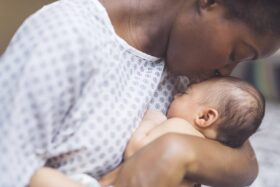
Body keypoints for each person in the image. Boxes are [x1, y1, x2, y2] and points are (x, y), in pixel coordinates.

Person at [0, 0, 280, 186]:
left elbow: (245, 161)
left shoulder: (187, 69)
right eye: (235, 53)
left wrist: (177, 152)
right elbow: (9, 170)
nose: (227, 72)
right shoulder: (66, 38)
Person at [28, 76, 265, 187]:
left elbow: (136, 151)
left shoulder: (180, 128)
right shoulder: (209, 152)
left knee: (40, 177)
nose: (175, 94)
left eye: (184, 94)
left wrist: (151, 118)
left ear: (204, 117)